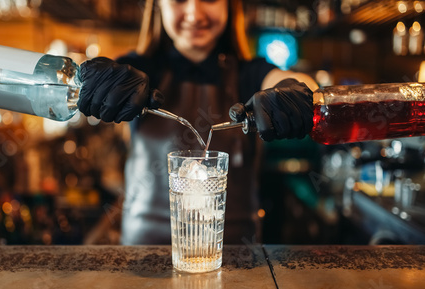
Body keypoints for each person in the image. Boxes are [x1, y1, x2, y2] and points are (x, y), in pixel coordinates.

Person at [78, 0, 318, 245]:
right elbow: (102, 76)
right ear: (158, 6)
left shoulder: (250, 74)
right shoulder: (139, 72)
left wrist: (297, 92)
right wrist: (94, 79)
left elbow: (295, 80)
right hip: (142, 255)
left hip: (236, 259)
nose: (194, 13)